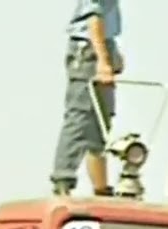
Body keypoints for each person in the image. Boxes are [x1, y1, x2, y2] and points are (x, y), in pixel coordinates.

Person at [50, 0, 124, 197]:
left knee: (100, 122)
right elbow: (93, 18)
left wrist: (113, 53)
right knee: (80, 117)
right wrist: (102, 60)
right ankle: (63, 180)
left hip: (102, 44)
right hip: (88, 49)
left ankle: (101, 188)